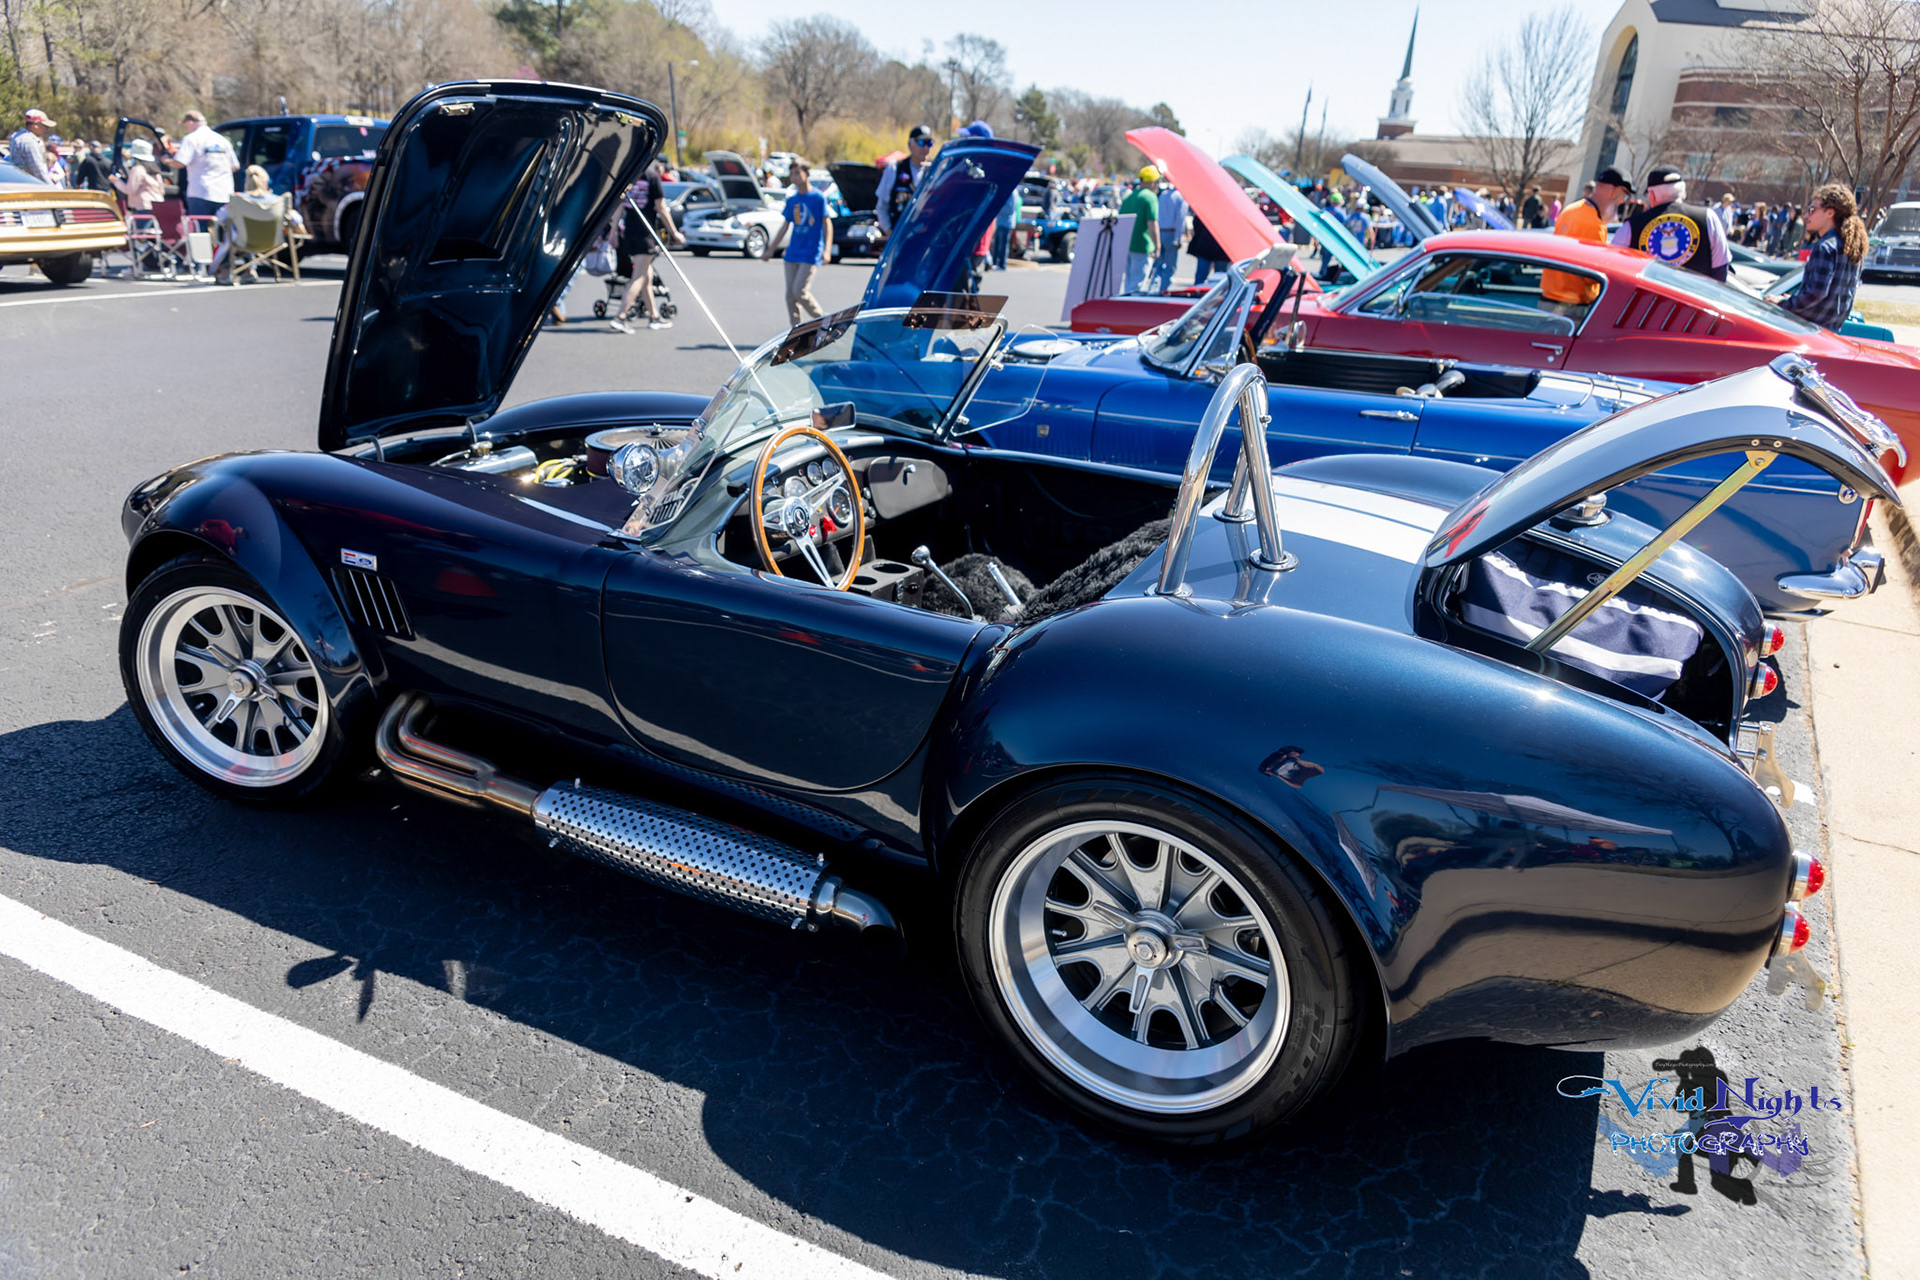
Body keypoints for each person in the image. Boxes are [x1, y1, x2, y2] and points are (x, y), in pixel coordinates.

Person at [1766, 183, 1866, 332]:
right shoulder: (1851, 246)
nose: (1806, 215)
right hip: (1832, 331)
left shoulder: (1825, 247)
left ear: (1830, 212)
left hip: (1810, 330)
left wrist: (1783, 303)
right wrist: (1794, 298)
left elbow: (1816, 293)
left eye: (1812, 210)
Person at [1612, 165, 1730, 281]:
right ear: (1683, 191)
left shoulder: (1633, 225)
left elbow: (1613, 265)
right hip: (1693, 293)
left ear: (1652, 195)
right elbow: (1721, 270)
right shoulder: (1708, 217)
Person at [1543, 166, 1633, 311]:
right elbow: (1592, 275)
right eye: (1625, 196)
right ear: (1615, 192)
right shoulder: (1595, 225)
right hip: (1572, 306)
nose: (1623, 202)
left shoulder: (1571, 209)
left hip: (1550, 298)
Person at [609, 163, 681, 332]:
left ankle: (654, 317)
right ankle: (620, 316)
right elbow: (661, 208)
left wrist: (613, 232)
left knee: (647, 276)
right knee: (639, 277)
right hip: (645, 234)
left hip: (629, 233)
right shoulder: (652, 177)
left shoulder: (630, 173)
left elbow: (620, 206)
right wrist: (674, 232)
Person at [762, 160, 830, 326]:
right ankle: (796, 330)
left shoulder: (818, 198)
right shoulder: (793, 200)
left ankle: (823, 320)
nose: (795, 177)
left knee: (799, 291)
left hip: (810, 252)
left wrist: (827, 250)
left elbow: (827, 223)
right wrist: (771, 249)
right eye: (792, 174)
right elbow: (785, 226)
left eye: (798, 173)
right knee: (790, 296)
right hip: (793, 253)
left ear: (807, 174)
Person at [161, 110, 239, 220]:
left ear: (190, 122)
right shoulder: (222, 140)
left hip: (200, 192)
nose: (186, 128)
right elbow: (235, 166)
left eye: (186, 125)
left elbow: (180, 162)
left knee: (199, 228)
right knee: (223, 227)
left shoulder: (191, 139)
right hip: (224, 193)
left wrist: (166, 161)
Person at [875, 125, 933, 240]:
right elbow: (881, 207)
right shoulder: (895, 169)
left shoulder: (934, 171)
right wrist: (889, 231)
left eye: (929, 143)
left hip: (925, 239)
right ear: (910, 144)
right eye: (921, 142)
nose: (926, 148)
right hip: (898, 237)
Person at [1118, 166, 1160, 293]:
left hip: (1128, 245)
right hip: (1143, 246)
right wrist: (1157, 246)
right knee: (1138, 286)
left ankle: (1126, 304)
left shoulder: (1128, 198)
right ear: (1152, 182)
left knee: (1129, 283)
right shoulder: (1150, 197)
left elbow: (1120, 223)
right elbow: (1152, 224)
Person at [1150, 176, 1187, 293]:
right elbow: (1180, 219)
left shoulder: (1163, 195)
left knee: (1158, 264)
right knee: (1170, 267)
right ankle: (1163, 290)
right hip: (1171, 234)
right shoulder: (1180, 197)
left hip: (1160, 232)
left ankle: (1153, 288)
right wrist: (1178, 238)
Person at [7, 108, 55, 182]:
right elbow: (39, 171)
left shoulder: (17, 136)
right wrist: (51, 187)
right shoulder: (29, 141)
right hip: (29, 184)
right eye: (45, 126)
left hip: (18, 182)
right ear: (35, 125)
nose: (46, 130)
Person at [991, 183, 1019, 270]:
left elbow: (1009, 208)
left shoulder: (1012, 193)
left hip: (1006, 222)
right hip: (1001, 221)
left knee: (1003, 245)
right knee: (997, 244)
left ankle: (1002, 264)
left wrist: (997, 208)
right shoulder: (1009, 191)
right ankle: (995, 262)